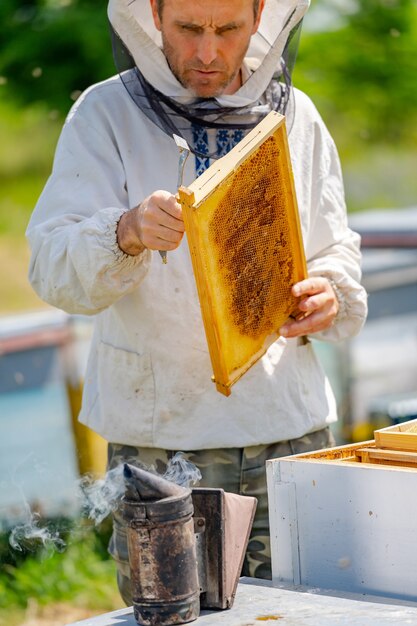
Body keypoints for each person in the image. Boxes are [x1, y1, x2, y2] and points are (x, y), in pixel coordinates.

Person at [26, 0, 367, 600]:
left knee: (307, 612)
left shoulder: (299, 115)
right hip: (163, 445)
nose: (207, 53)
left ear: (260, 16)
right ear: (153, 15)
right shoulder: (103, 114)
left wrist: (328, 295)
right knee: (174, 617)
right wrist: (123, 231)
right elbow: (50, 269)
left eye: (228, 29)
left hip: (290, 436)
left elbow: (335, 248)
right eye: (189, 28)